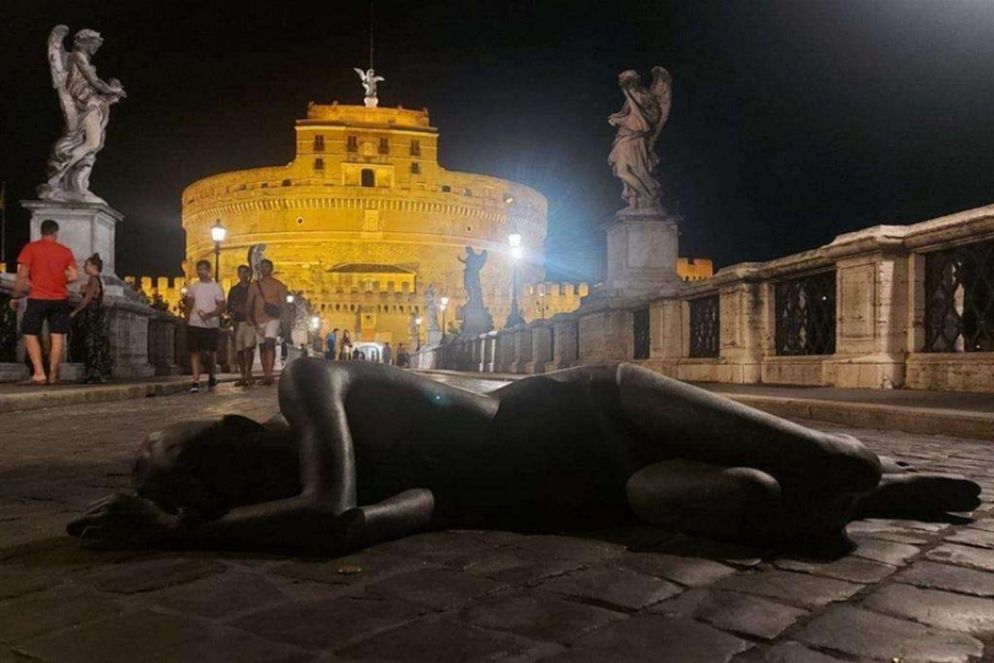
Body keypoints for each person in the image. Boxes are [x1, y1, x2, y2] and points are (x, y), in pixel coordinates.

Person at [69, 361, 981, 555]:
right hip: (595, 488)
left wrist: (181, 534)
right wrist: (187, 529)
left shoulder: (314, 382)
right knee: (757, 502)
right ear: (217, 440)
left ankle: (873, 482)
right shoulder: (352, 470)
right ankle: (866, 505)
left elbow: (336, 517)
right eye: (160, 455)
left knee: (834, 458)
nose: (147, 449)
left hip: (593, 405)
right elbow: (348, 521)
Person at [9, 220, 78, 385]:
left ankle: (39, 374)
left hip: (38, 298)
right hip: (60, 299)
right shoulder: (65, 251)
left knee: (30, 333)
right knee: (57, 337)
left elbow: (22, 275)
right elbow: (74, 276)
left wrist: (15, 296)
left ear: (41, 232)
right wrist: (59, 282)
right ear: (56, 232)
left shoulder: (31, 248)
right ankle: (53, 374)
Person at [184, 260, 225, 394]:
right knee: (194, 352)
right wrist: (187, 319)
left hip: (211, 325)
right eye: (199, 269)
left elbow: (221, 306)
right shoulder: (194, 287)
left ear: (209, 270)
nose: (200, 271)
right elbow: (189, 305)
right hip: (195, 323)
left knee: (209, 353)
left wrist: (210, 315)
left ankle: (211, 374)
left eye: (203, 269)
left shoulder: (216, 287)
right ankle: (195, 380)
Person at [245, 259, 287, 386]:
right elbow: (249, 301)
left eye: (267, 267)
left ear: (271, 269)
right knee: (263, 347)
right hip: (258, 320)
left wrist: (284, 320)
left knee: (270, 343)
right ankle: (265, 373)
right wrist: (248, 316)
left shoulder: (279, 285)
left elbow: (283, 304)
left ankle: (269, 374)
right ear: (259, 269)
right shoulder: (254, 285)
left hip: (272, 319)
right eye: (262, 267)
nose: (264, 269)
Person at [69, 253, 110, 383]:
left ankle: (93, 374)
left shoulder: (93, 279)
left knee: (90, 344)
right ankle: (98, 374)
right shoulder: (97, 280)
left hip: (92, 316)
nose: (83, 266)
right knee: (96, 344)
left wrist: (75, 311)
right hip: (97, 315)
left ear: (93, 266)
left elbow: (88, 298)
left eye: (86, 264)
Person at [227, 265, 256, 387]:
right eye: (241, 272)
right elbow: (230, 307)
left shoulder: (253, 288)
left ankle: (248, 374)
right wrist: (232, 320)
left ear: (249, 274)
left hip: (250, 322)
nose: (243, 275)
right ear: (238, 274)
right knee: (239, 350)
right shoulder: (234, 290)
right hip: (238, 322)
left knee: (249, 348)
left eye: (245, 272)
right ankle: (243, 375)